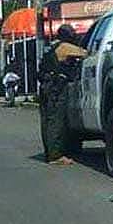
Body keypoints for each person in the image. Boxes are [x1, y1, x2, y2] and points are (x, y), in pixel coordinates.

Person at [39, 24, 87, 165]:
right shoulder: (64, 47)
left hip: (46, 86)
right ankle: (55, 156)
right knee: (56, 121)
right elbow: (85, 53)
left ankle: (50, 152)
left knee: (47, 121)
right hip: (56, 88)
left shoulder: (51, 46)